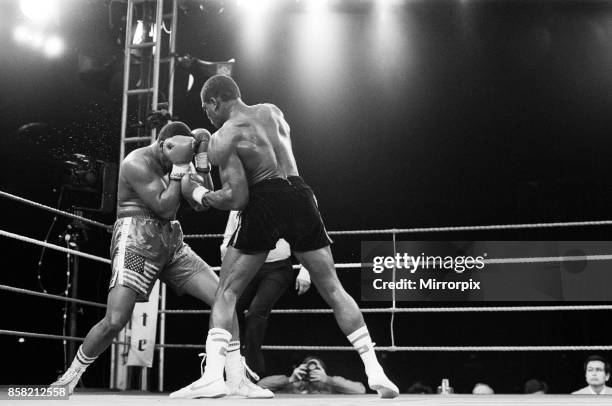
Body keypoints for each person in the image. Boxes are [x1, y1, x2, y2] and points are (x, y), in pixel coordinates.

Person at [175, 74, 399, 398]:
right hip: (300, 195)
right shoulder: (273, 112)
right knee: (334, 288)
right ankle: (376, 371)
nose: (206, 115)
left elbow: (237, 199)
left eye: (205, 107)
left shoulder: (224, 137)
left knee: (226, 291)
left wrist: (199, 195)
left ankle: (212, 375)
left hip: (265, 201)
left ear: (215, 101)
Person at [51, 122, 271, 398]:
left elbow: (199, 202)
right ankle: (68, 380)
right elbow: (165, 207)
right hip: (136, 242)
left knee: (223, 296)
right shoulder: (136, 162)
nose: (175, 164)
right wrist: (180, 169)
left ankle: (236, 378)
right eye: (174, 158)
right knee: (115, 319)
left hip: (171, 243)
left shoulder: (179, 160)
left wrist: (201, 164)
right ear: (163, 145)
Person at [222, 210, 311, 378]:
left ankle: (252, 371)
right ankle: (232, 365)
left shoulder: (282, 198)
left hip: (277, 268)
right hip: (247, 266)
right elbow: (228, 237)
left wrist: (306, 270)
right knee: (230, 309)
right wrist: (228, 262)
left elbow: (305, 236)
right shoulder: (239, 201)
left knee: (256, 313)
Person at [257, 356, 365, 394]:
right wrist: (289, 379)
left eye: (317, 369)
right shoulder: (292, 385)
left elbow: (360, 389)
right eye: (307, 368)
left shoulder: (330, 386)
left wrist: (328, 380)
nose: (312, 371)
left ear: (324, 371)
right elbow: (260, 386)